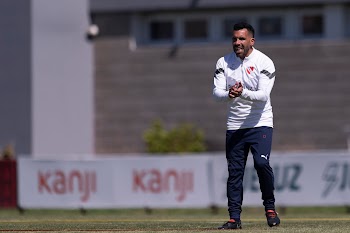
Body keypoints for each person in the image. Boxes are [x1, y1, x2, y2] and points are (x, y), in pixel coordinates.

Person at [213, 22, 280, 229]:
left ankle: (270, 208)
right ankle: (235, 218)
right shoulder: (223, 62)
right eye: (234, 39)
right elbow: (216, 94)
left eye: (242, 39)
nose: (237, 42)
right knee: (235, 173)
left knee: (261, 164)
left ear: (252, 41)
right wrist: (228, 94)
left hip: (260, 123)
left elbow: (262, 96)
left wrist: (241, 92)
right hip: (234, 126)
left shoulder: (264, 62)